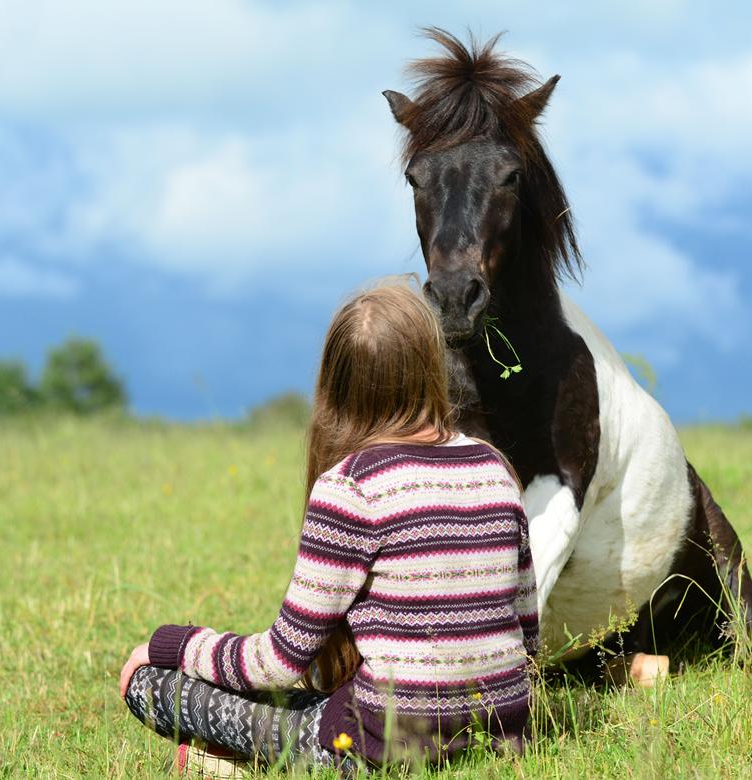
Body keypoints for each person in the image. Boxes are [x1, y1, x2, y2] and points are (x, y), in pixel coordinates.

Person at [119, 282, 539, 773]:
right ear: (430, 368)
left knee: (150, 684)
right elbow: (528, 634)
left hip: (385, 747)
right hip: (500, 735)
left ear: (337, 383)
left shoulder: (351, 487)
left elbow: (277, 662)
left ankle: (239, 764)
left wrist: (172, 644)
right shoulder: (493, 467)